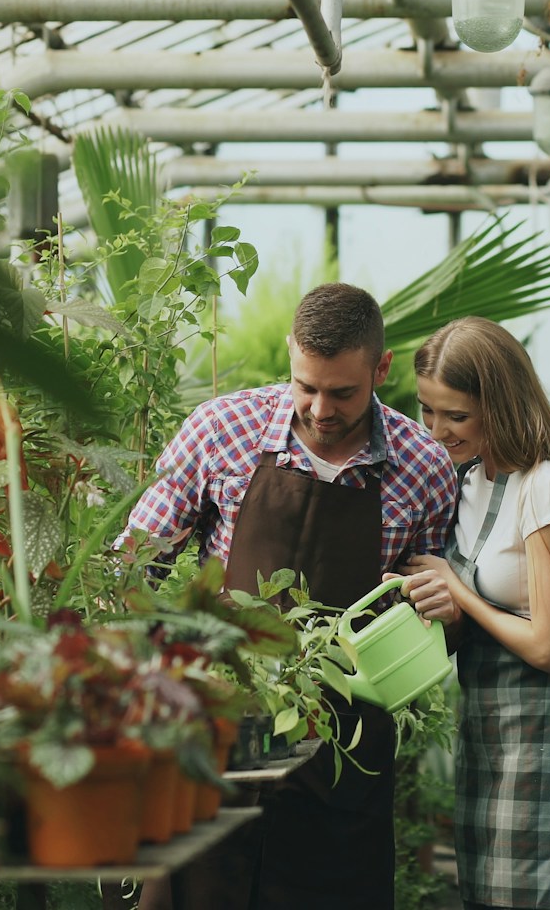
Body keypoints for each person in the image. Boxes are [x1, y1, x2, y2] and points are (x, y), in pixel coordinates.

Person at [121, 282, 457, 910]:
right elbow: (133, 565)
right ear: (290, 355)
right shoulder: (222, 430)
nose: (320, 408)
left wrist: (443, 607)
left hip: (342, 753)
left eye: (343, 392)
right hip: (215, 737)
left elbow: (431, 614)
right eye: (306, 386)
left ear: (381, 369)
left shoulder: (424, 467)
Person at [392, 316, 550, 910]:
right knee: (484, 895)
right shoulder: (467, 483)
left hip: (545, 728)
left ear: (500, 404)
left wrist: (458, 593)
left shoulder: (545, 484)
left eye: (456, 416)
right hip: (487, 723)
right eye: (427, 411)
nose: (436, 430)